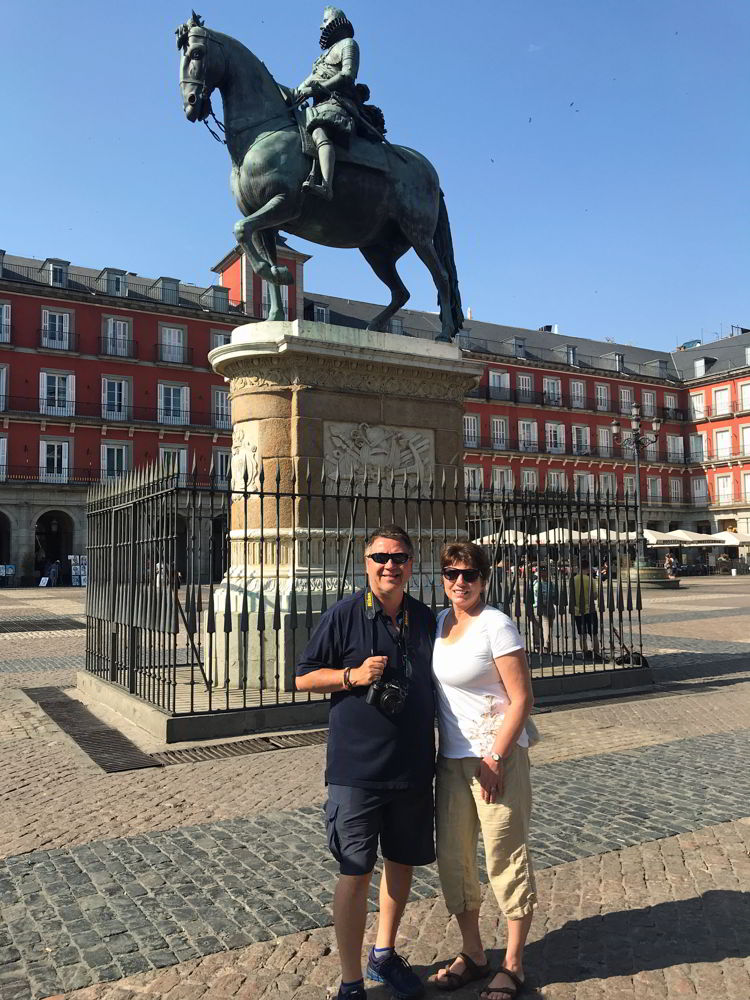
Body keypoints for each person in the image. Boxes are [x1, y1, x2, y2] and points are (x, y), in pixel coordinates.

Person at [296, 525, 436, 1000]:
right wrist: (352, 676)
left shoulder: (425, 618)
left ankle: (384, 951)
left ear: (411, 564)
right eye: (381, 558)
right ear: (366, 563)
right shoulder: (343, 615)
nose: (389, 566)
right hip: (357, 769)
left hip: (414, 765)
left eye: (398, 558)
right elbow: (303, 678)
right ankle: (351, 980)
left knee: (401, 863)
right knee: (355, 870)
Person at [430, 541, 536, 1000]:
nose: (460, 582)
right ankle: (473, 952)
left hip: (496, 759)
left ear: (484, 579)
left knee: (503, 856)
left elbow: (522, 699)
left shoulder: (497, 625)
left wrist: (495, 756)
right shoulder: (439, 622)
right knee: (454, 857)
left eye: (468, 575)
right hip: (452, 760)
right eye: (451, 574)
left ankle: (512, 963)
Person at [294, 7, 360, 200]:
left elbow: (348, 75)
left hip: (339, 103)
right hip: (319, 106)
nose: (321, 25)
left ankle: (326, 185)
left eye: (324, 20)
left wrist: (316, 89)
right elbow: (302, 87)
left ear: (335, 22)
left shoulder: (349, 44)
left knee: (318, 130)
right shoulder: (320, 59)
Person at [572, 555, 601, 658]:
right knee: (594, 634)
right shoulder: (590, 580)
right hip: (590, 610)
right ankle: (596, 653)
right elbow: (594, 596)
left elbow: (571, 597)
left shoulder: (573, 579)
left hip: (577, 611)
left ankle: (584, 653)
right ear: (587, 568)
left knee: (582, 634)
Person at [528, 563, 557, 655]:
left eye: (544, 571)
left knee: (547, 631)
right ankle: (537, 648)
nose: (543, 573)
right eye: (540, 571)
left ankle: (546, 648)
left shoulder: (551, 584)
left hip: (547, 609)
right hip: (536, 608)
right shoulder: (534, 583)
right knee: (535, 630)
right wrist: (531, 564)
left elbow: (555, 597)